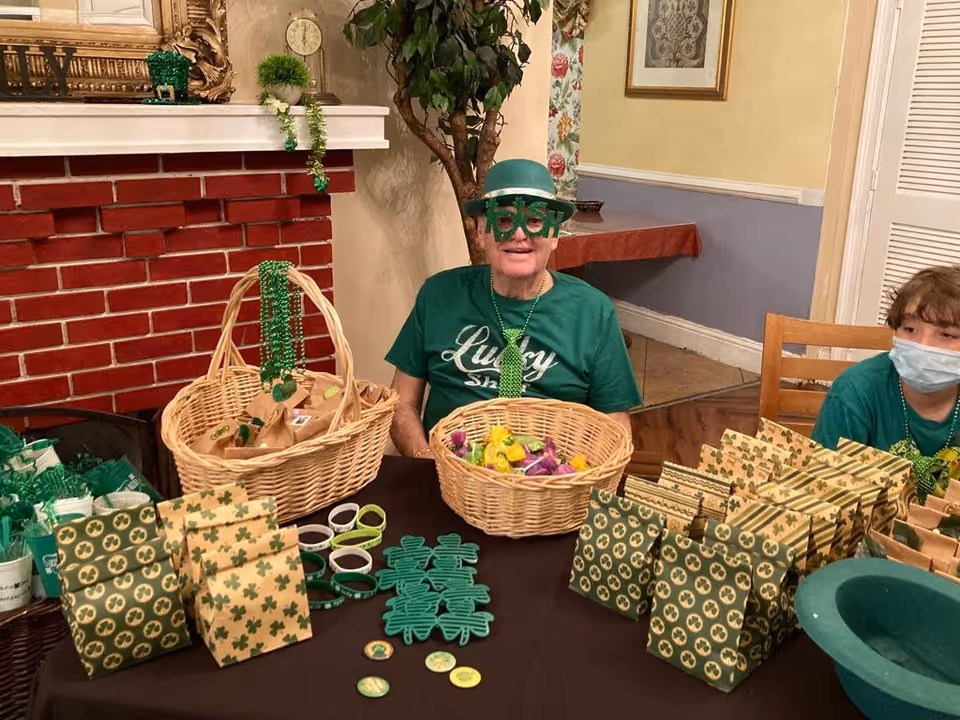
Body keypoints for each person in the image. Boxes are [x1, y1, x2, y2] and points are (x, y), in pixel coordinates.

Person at [385, 158, 641, 459]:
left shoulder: (593, 312)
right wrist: (427, 462)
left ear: (554, 234)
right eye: (503, 221)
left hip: (550, 483)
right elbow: (400, 403)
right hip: (446, 475)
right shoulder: (438, 295)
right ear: (480, 232)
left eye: (534, 221)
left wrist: (577, 479)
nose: (519, 235)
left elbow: (615, 424)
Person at [812, 265, 960, 499]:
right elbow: (824, 493)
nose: (923, 345)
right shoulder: (854, 393)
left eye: (947, 335)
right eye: (910, 329)